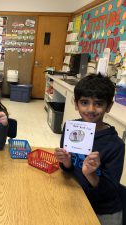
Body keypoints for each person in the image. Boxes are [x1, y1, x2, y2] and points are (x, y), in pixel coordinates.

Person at [54, 74, 125, 225]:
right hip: (77, 197)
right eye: (84, 102)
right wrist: (66, 162)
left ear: (109, 106)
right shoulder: (70, 128)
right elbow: (69, 170)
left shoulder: (115, 145)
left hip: (103, 211)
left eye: (98, 104)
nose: (91, 109)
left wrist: (91, 174)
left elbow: (110, 191)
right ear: (76, 104)